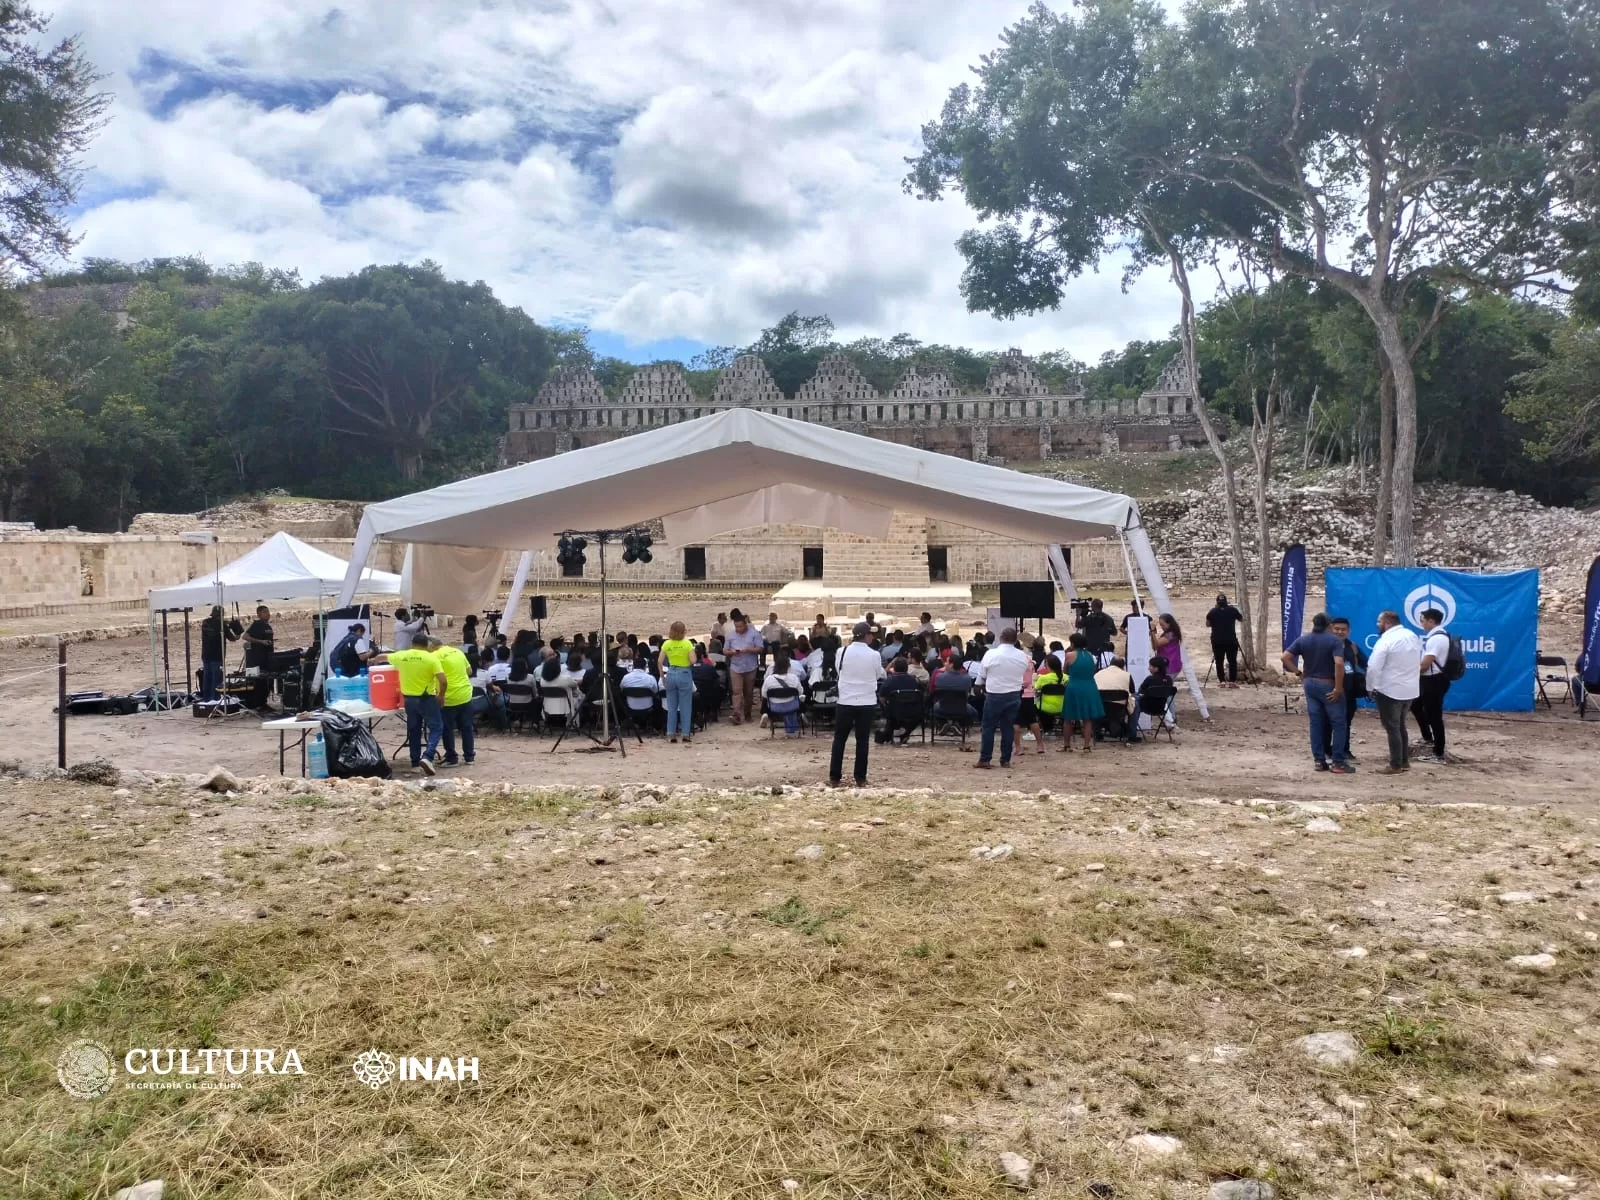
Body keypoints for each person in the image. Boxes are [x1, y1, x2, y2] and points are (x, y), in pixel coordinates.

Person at [1281, 613, 1351, 774]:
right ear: (1329, 626)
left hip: (1310, 683)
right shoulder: (1334, 641)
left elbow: (1285, 657)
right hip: (1328, 684)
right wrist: (1338, 688)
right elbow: (1339, 663)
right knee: (1339, 722)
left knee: (1316, 722)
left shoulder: (1304, 639)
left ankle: (1319, 761)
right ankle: (1338, 762)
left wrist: (1298, 673)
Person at [829, 622, 885, 787]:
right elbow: (877, 674)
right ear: (866, 636)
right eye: (871, 634)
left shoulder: (842, 651)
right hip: (866, 701)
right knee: (862, 740)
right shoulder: (874, 655)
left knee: (839, 739)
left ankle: (835, 776)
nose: (872, 637)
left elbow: (839, 670)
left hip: (845, 700)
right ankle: (860, 777)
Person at [1365, 610, 1422, 774]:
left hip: (1389, 690)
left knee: (1392, 727)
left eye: (1379, 621)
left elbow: (1373, 667)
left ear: (1387, 623)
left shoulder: (1386, 640)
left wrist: (1370, 687)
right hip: (1409, 689)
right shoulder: (1411, 635)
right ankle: (1404, 761)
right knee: (1400, 725)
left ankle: (1395, 764)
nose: (1377, 625)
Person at [380, 634, 445, 774]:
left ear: (412, 643)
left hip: (409, 700)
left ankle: (415, 763)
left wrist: (371, 660)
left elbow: (383, 657)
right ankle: (428, 756)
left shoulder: (402, 655)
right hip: (427, 699)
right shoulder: (431, 658)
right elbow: (443, 680)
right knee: (436, 727)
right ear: (427, 645)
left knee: (414, 730)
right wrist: (441, 696)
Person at [975, 627, 1030, 769]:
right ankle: (1005, 759)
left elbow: (982, 674)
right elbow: (1023, 671)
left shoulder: (991, 654)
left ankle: (985, 759)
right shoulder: (1022, 656)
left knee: (988, 727)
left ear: (1000, 638)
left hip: (994, 694)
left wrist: (978, 686)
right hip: (1014, 694)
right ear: (1015, 640)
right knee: (1008, 728)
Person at [428, 637, 477, 766]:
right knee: (467, 727)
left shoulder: (433, 657)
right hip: (465, 694)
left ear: (431, 646)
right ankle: (469, 756)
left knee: (447, 729)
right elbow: (469, 671)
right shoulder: (457, 651)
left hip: (448, 697)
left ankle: (451, 758)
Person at [1413, 607, 1453, 764]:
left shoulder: (1436, 638)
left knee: (1434, 716)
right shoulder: (1439, 636)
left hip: (1434, 680)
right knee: (1416, 705)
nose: (1421, 624)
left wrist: (1409, 674)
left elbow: (1425, 664)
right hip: (1430, 680)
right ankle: (1427, 738)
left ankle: (1438, 753)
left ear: (1431, 621)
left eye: (1423, 620)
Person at [1326, 617, 1367, 762]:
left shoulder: (1352, 647)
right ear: (1331, 629)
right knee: (1328, 723)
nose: (1339, 632)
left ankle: (1345, 749)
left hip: (1349, 693)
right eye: (1337, 629)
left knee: (1346, 723)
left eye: (1343, 630)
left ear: (1348, 631)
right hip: (1329, 692)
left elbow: (1366, 664)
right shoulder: (1325, 646)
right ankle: (1327, 750)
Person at [1060, 632, 1106, 753]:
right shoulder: (1090, 655)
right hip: (1089, 686)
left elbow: (1065, 671)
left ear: (1073, 643)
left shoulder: (1069, 655)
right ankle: (1086, 746)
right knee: (1087, 718)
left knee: (1068, 718)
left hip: (1074, 686)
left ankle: (1067, 745)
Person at [659, 621, 696, 744]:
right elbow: (693, 660)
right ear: (684, 631)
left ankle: (671, 734)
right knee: (685, 706)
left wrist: (662, 676)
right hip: (684, 673)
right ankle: (685, 734)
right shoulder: (687, 643)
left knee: (672, 707)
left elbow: (659, 661)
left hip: (671, 672)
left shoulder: (667, 644)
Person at [724, 613, 763, 725]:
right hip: (736, 666)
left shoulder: (754, 634)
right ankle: (736, 714)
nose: (738, 629)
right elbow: (725, 650)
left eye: (740, 626)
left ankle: (747, 713)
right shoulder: (731, 635)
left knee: (748, 692)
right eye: (736, 626)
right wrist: (732, 652)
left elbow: (760, 648)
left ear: (745, 624)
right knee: (736, 691)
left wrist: (749, 650)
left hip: (750, 666)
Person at [877, 656, 924, 745]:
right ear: (907, 668)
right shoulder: (914, 680)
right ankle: (905, 733)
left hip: (894, 713)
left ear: (894, 668)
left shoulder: (889, 680)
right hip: (913, 713)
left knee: (888, 711)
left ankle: (889, 734)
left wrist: (886, 705)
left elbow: (881, 697)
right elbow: (921, 694)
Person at [1127, 655, 1174, 744]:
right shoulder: (1169, 680)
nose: (1148, 668)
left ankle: (1131, 734)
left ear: (1156, 668)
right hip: (1160, 707)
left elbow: (1141, 691)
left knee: (1133, 702)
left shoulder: (1150, 679)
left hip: (1146, 706)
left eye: (1150, 666)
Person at [198, 605, 241, 702]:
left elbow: (215, 624)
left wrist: (227, 623)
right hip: (217, 656)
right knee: (217, 679)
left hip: (206, 655)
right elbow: (233, 638)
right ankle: (215, 699)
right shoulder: (222, 625)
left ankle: (206, 699)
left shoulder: (205, 622)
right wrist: (238, 632)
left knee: (207, 677)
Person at [762, 648, 806, 736]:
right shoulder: (794, 678)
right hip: (792, 706)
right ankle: (801, 714)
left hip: (774, 707)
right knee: (800, 698)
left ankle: (765, 713)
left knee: (766, 699)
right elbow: (801, 692)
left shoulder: (769, 679)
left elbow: (764, 694)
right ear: (788, 666)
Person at [1206, 594, 1245, 686]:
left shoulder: (1212, 611)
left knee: (1219, 661)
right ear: (1226, 602)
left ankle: (1222, 681)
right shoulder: (1232, 610)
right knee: (1232, 661)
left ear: (1217, 602)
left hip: (1217, 640)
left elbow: (1208, 624)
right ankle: (1232, 681)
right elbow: (1241, 619)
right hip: (1231, 640)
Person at [1014, 652, 1046, 756]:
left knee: (1015, 722)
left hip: (1016, 693)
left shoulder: (1013, 661)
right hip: (1029, 694)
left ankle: (1018, 748)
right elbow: (1032, 678)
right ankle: (1040, 745)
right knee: (1032, 720)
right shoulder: (1029, 661)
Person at [931, 654, 980, 723]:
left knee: (935, 706)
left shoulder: (939, 677)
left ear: (951, 665)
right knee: (974, 712)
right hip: (962, 709)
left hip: (942, 708)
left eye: (946, 662)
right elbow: (968, 692)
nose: (944, 664)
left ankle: (943, 724)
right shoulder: (967, 679)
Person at [619, 657, 660, 724]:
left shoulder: (626, 677)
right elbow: (655, 691)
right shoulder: (651, 678)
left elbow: (621, 689)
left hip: (630, 707)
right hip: (648, 707)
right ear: (645, 667)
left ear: (633, 666)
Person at [1080, 599, 1117, 663]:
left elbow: (1078, 625)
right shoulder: (1109, 618)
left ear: (1093, 606)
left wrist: (1079, 615)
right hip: (1104, 648)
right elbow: (1114, 633)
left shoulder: (1089, 618)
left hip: (1091, 648)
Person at [1154, 614, 1185, 679]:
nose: (1162, 627)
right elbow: (1155, 646)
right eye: (1161, 625)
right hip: (1170, 664)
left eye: (1163, 625)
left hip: (1171, 665)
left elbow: (1156, 644)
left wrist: (1152, 632)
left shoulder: (1171, 634)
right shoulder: (1169, 633)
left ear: (1169, 624)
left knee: (1165, 683)